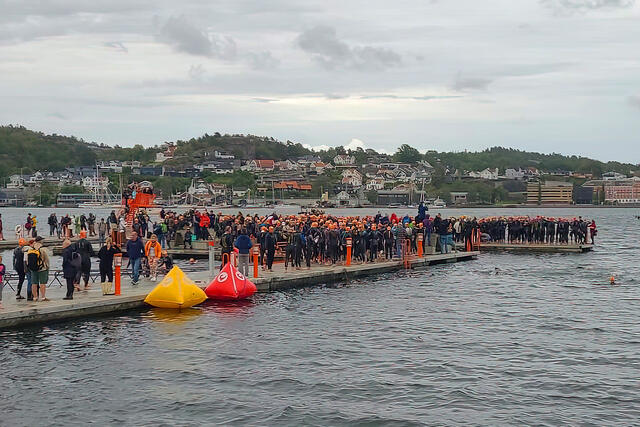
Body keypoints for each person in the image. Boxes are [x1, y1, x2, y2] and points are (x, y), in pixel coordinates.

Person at [28, 236, 50, 301]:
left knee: (34, 283)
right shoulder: (43, 249)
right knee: (42, 283)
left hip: (33, 268)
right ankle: (43, 297)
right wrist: (47, 266)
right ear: (41, 241)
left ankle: (35, 297)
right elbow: (46, 259)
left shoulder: (31, 248)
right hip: (42, 268)